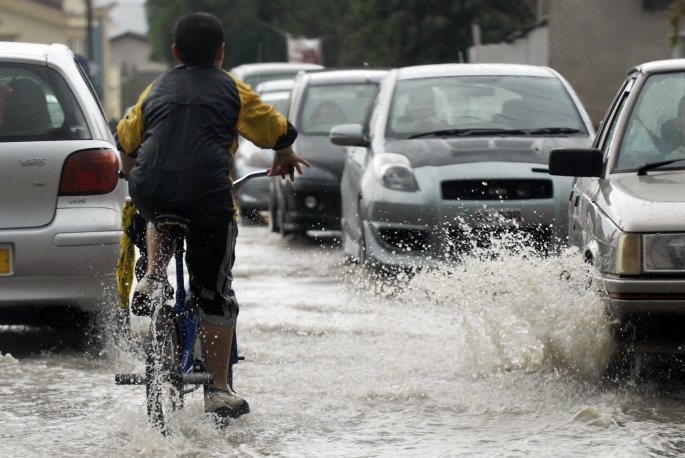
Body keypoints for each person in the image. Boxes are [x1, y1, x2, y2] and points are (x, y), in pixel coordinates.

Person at [116, 12, 310, 420]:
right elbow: (274, 127)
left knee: (156, 207)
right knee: (215, 292)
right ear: (222, 52)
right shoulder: (231, 88)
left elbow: (126, 137)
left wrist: (133, 173)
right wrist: (285, 151)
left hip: (151, 189)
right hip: (207, 196)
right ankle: (219, 388)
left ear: (174, 53)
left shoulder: (156, 88)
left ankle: (153, 276)